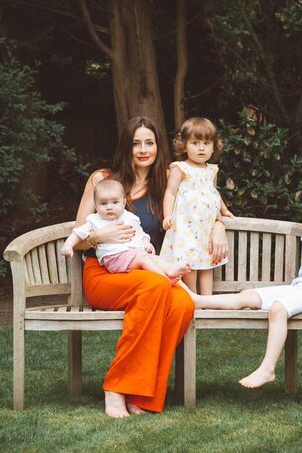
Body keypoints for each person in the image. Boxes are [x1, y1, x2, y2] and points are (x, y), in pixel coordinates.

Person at [72, 116, 229, 418]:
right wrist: (100, 234)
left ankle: (144, 395)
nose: (143, 149)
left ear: (158, 146)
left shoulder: (165, 185)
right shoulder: (102, 180)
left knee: (183, 302)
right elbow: (77, 237)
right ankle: (117, 387)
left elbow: (201, 208)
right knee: (156, 287)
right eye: (136, 143)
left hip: (147, 271)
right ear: (126, 146)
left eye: (149, 142)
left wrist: (218, 225)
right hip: (104, 274)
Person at [185, 179, 302, 389]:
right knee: (247, 295)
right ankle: (197, 299)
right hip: (301, 287)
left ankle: (267, 369)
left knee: (278, 309)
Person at [61, 179, 190, 283]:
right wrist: (68, 245)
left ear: (123, 203)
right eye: (103, 203)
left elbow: (140, 233)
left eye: (115, 202)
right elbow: (77, 233)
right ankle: (165, 279)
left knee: (152, 258)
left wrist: (146, 242)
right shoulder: (94, 220)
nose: (109, 207)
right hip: (114, 258)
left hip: (133, 254)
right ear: (95, 205)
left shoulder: (129, 217)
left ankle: (170, 269)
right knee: (144, 259)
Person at [161, 117, 234, 295]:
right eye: (195, 142)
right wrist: (167, 215)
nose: (201, 148)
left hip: (205, 228)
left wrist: (224, 210)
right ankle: (192, 296)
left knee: (206, 261)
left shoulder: (212, 170)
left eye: (206, 143)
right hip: (186, 226)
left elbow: (214, 193)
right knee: (190, 262)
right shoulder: (180, 168)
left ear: (213, 146)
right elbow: (170, 193)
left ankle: (207, 299)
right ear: (184, 145)